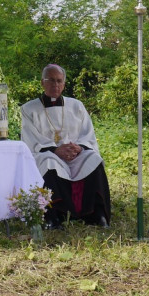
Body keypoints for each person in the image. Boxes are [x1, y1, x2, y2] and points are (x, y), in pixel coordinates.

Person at [20, 64, 112, 228]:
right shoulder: (29, 109)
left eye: (59, 81)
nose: (55, 85)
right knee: (49, 163)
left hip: (75, 154)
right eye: (51, 80)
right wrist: (55, 150)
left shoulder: (76, 106)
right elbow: (31, 138)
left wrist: (79, 148)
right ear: (42, 82)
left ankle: (97, 214)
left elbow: (87, 133)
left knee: (93, 159)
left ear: (64, 83)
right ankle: (53, 217)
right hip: (47, 153)